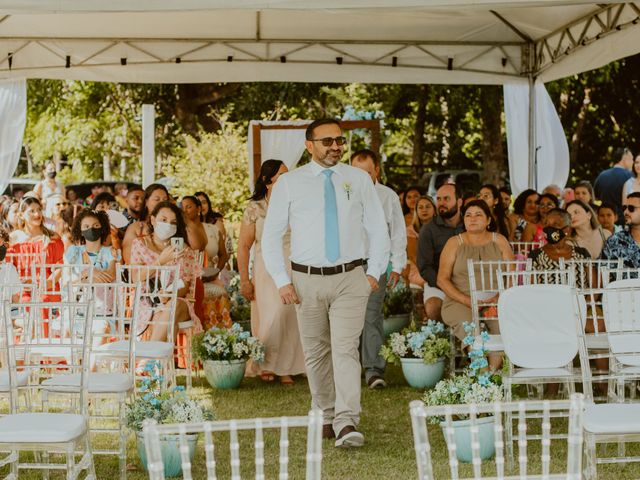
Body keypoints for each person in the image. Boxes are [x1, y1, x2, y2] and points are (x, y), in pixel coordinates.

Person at [262, 119, 389, 448]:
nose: (335, 146)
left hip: (351, 277)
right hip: (305, 279)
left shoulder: (358, 179)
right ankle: (326, 413)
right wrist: (281, 280)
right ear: (310, 146)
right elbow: (271, 236)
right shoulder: (290, 183)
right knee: (317, 353)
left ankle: (347, 422)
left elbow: (377, 228)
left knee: (346, 350)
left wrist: (373, 272)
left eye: (339, 141)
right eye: (327, 141)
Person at [238, 159, 305, 386]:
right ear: (267, 182)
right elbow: (244, 246)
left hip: (293, 264)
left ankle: (286, 367)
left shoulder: (295, 205)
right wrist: (244, 280)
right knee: (272, 316)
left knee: (289, 316)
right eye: (281, 176)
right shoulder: (255, 208)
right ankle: (265, 364)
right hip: (265, 269)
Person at [351, 149, 406, 389]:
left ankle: (373, 370)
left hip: (377, 263)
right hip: (347, 265)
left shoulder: (388, 196)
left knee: (371, 315)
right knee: (347, 318)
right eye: (355, 171)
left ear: (376, 171)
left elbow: (397, 233)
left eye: (366, 172)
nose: (360, 177)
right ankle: (348, 368)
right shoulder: (344, 194)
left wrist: (398, 265)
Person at [438, 200, 513, 368]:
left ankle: (492, 377)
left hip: (496, 300)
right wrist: (467, 301)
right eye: (468, 215)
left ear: (488, 220)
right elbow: (442, 279)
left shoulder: (499, 241)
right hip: (459, 301)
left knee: (502, 327)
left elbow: (512, 276)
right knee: (471, 328)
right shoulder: (454, 243)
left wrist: (498, 298)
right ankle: (482, 374)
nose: (472, 218)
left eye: (478, 214)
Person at [130, 201, 202, 341]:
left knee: (174, 305)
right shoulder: (139, 244)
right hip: (148, 302)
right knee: (163, 317)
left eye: (173, 222)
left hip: (178, 300)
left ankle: (148, 359)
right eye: (163, 220)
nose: (168, 225)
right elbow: (135, 277)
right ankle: (157, 361)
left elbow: (185, 285)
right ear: (152, 220)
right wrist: (160, 262)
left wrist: (169, 294)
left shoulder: (182, 249)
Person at [417, 183, 464, 321]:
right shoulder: (428, 230)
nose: (441, 203)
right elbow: (425, 268)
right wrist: (447, 286)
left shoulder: (469, 225)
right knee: (433, 307)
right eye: (439, 199)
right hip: (439, 284)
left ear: (459, 202)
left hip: (467, 281)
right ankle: (441, 340)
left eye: (446, 199)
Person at [8, 197, 64, 298]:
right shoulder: (13, 239)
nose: (37, 214)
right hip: (22, 295)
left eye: (39, 210)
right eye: (32, 211)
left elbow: (59, 267)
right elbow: (9, 268)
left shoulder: (52, 238)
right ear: (21, 215)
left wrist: (46, 284)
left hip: (49, 293)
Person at [529, 208, 591, 282]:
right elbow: (531, 287)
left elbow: (594, 288)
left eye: (555, 224)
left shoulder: (581, 254)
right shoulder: (536, 255)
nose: (549, 228)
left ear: (567, 229)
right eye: (546, 223)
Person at [122, 183, 169, 263]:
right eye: (157, 199)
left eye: (165, 200)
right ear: (146, 202)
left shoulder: (174, 227)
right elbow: (129, 258)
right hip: (144, 273)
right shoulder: (136, 227)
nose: (162, 203)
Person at [594, 147, 634, 224]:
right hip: (624, 222)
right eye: (631, 159)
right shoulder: (630, 177)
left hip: (604, 221)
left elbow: (595, 198)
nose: (633, 162)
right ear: (625, 159)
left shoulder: (601, 176)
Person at [600, 192, 640, 268]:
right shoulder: (614, 241)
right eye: (624, 208)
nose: (626, 212)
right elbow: (602, 272)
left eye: (631, 208)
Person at [407, 195, 436, 264]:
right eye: (420, 207)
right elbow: (413, 257)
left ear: (434, 210)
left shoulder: (442, 228)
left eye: (428, 207)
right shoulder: (410, 230)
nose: (424, 210)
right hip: (419, 269)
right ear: (416, 211)